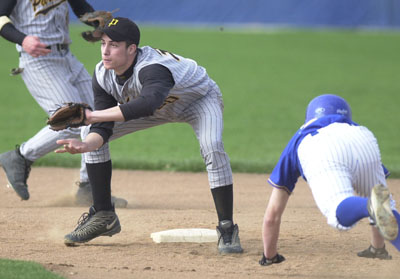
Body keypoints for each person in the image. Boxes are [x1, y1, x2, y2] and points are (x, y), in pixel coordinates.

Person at [55, 17, 243, 254]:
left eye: (114, 45)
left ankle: (227, 228)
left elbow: (148, 103)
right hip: (154, 107)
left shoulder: (153, 68)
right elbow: (102, 127)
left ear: (131, 49)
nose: (105, 51)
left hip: (198, 101)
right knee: (90, 130)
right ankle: (104, 215)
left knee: (212, 145)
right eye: (103, 43)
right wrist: (86, 145)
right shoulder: (102, 74)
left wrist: (92, 116)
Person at [0, 0, 127, 207]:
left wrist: (100, 25)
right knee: (73, 118)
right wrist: (22, 40)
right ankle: (21, 156)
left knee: (99, 115)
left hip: (66, 57)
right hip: (38, 60)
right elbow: (0, 18)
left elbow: (82, 10)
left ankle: (88, 186)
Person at [259, 94, 400, 266]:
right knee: (384, 204)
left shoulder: (303, 133)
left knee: (338, 212)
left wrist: (269, 256)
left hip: (321, 146)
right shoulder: (353, 127)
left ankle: (367, 205)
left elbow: (272, 215)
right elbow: (380, 200)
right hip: (364, 139)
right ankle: (377, 247)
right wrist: (378, 247)